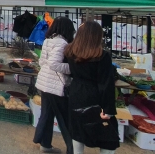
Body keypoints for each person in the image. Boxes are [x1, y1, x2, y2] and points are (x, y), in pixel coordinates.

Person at [63, 21, 119, 153]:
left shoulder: (70, 52)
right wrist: (109, 109)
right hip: (95, 98)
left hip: (76, 94)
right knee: (106, 135)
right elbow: (106, 84)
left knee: (77, 132)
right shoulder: (102, 56)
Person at [33, 16, 75, 154]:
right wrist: (72, 68)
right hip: (56, 85)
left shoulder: (47, 41)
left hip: (44, 83)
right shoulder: (62, 43)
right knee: (65, 119)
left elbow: (42, 62)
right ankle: (72, 148)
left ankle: (45, 144)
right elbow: (54, 64)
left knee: (47, 114)